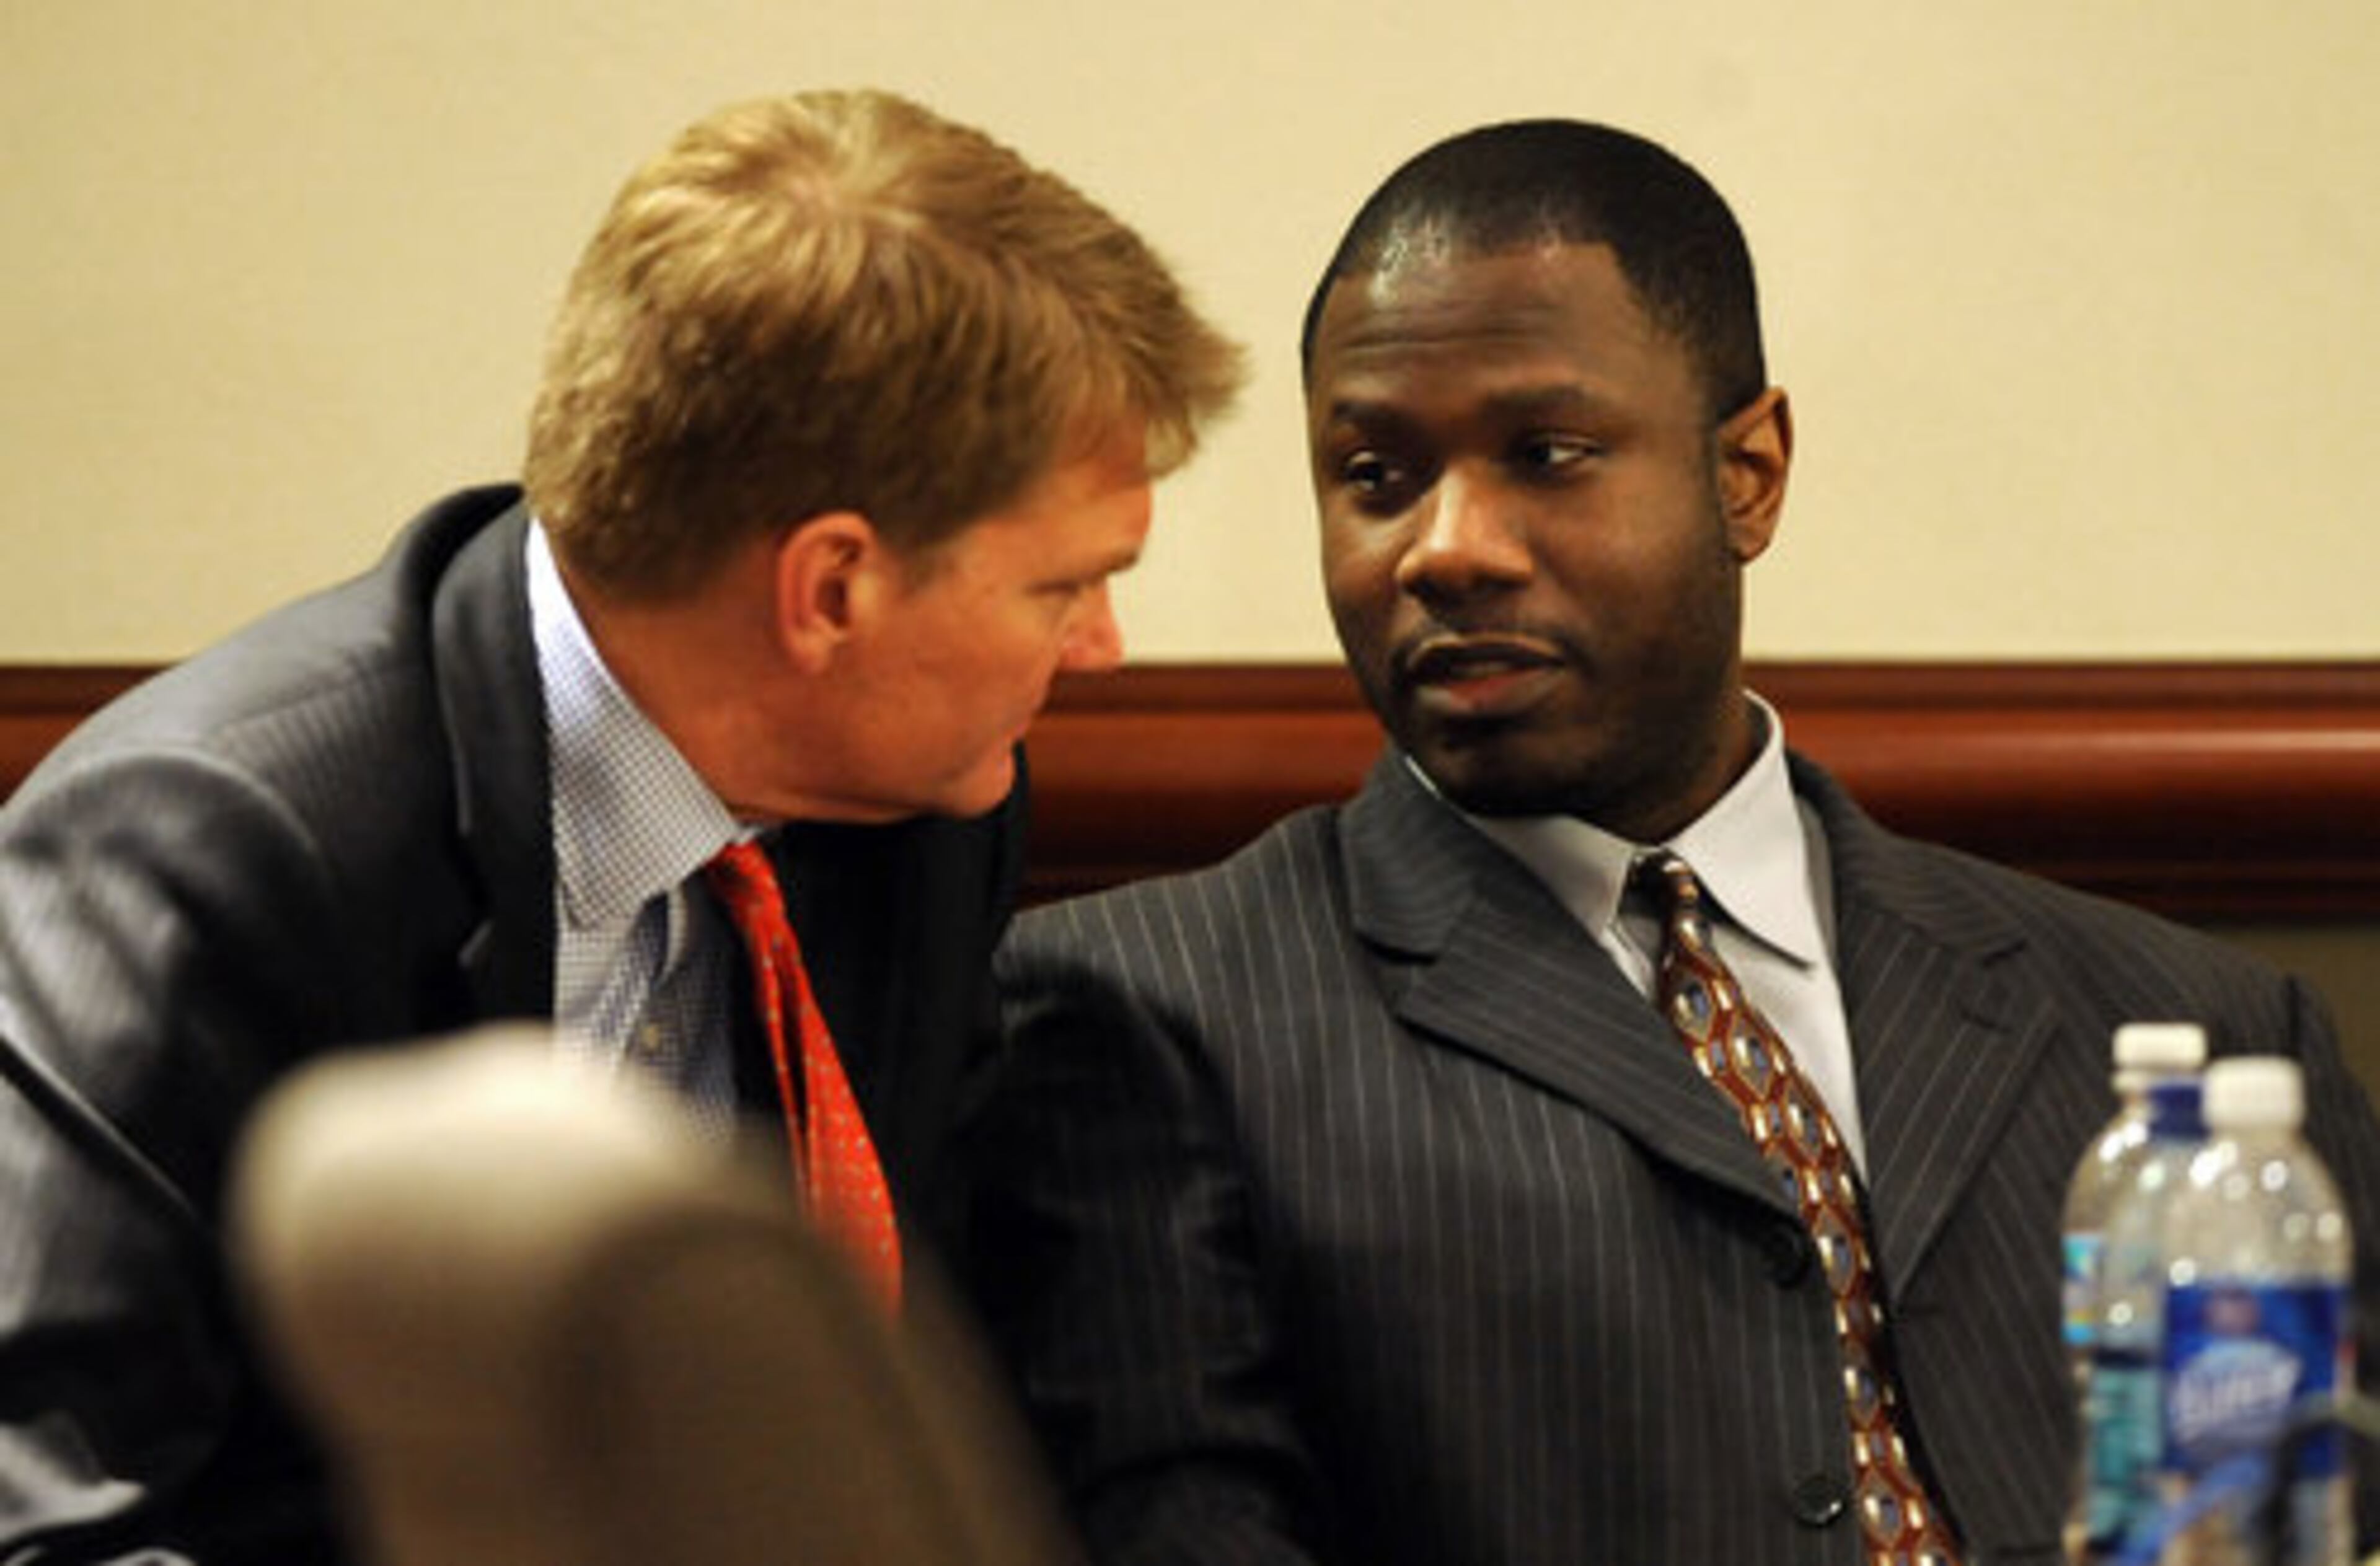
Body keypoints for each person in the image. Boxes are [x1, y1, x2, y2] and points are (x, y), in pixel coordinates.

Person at [963, 118, 2380, 1566]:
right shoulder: (1142, 1012)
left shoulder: (2184, 1022)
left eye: (1548, 454)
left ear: (1749, 473)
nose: (1445, 545)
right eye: (1375, 473)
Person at [0, 87, 1241, 1562]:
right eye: (1063, 587)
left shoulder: (918, 806)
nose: (1100, 648)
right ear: (831, 589)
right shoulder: (208, 851)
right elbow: (56, 1529)